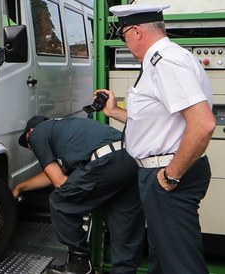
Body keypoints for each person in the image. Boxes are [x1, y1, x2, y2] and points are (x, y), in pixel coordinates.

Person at [98, 2, 215, 274]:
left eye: (123, 34)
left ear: (137, 31)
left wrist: (170, 176)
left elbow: (203, 124)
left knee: (180, 264)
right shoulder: (163, 61)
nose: (125, 41)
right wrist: (114, 111)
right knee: (164, 258)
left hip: (168, 173)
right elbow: (159, 120)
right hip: (161, 172)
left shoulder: (166, 62)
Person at [13, 114, 142, 274]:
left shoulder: (37, 134)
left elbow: (59, 181)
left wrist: (79, 193)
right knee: (123, 224)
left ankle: (80, 264)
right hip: (130, 160)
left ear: (29, 132)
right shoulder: (68, 130)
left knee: (60, 202)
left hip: (106, 161)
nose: (32, 148)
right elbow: (57, 172)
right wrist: (20, 187)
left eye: (28, 144)